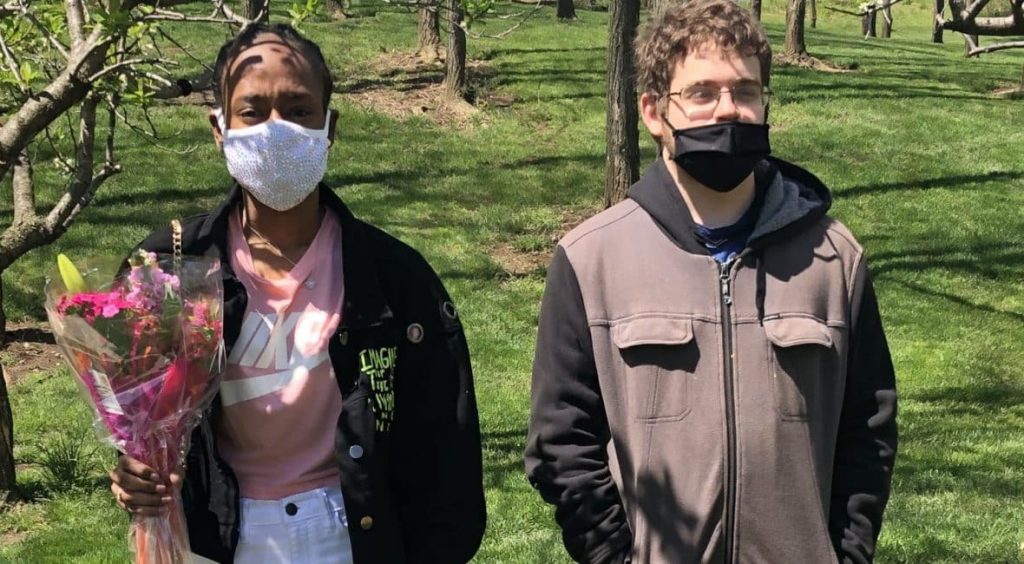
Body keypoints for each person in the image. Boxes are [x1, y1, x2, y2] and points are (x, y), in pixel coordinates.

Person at [524, 1, 898, 562]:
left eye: (746, 92)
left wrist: (848, 552)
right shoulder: (591, 260)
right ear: (654, 111)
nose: (731, 112)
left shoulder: (834, 259)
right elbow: (561, 442)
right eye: (702, 93)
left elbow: (868, 431)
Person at [108, 24, 486, 564]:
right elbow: (140, 425)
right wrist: (135, 474)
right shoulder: (173, 267)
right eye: (252, 110)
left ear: (330, 127)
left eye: (299, 108)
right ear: (220, 128)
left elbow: (443, 448)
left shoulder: (395, 278)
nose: (276, 128)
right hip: (217, 538)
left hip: (354, 535)